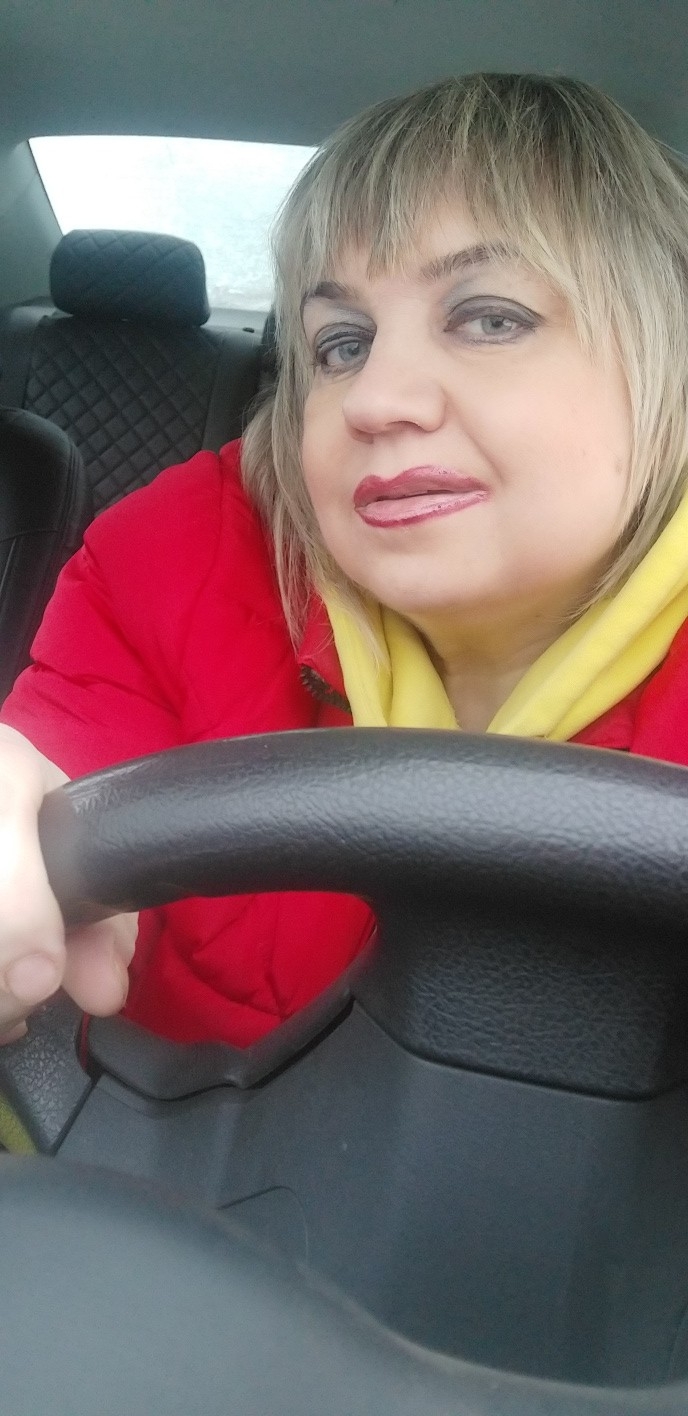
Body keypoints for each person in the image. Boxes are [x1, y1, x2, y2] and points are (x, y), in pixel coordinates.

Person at [0, 71, 687, 1049]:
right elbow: (48, 770)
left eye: (489, 318)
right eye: (341, 345)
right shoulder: (174, 560)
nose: (375, 399)